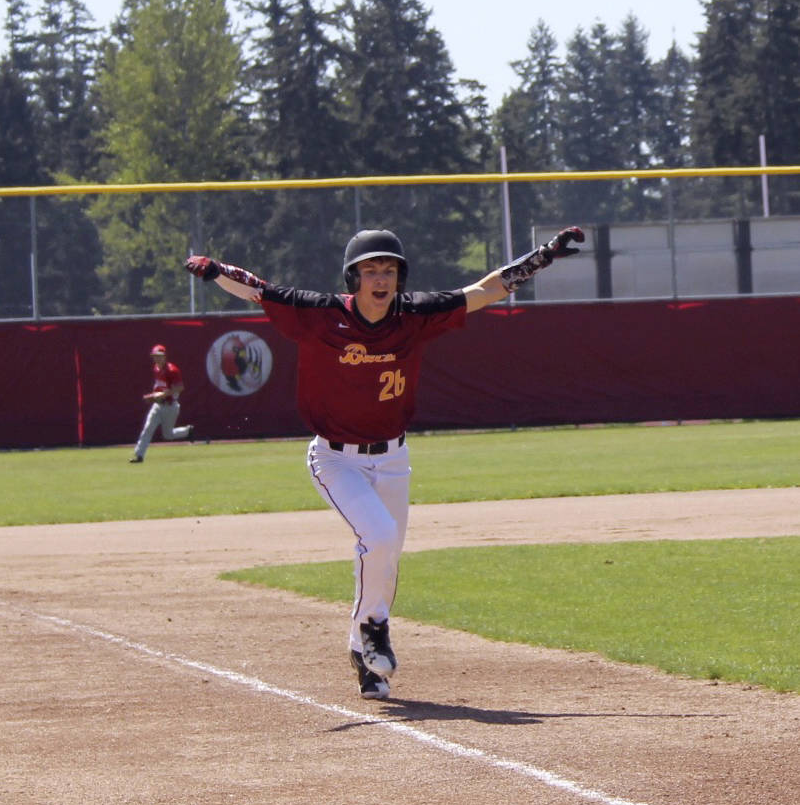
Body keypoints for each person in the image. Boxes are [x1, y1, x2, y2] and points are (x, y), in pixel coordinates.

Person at [184, 226, 583, 698]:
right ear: (353, 278)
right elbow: (259, 290)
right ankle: (374, 628)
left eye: (389, 270)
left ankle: (364, 656)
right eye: (370, 270)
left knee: (386, 557)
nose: (380, 279)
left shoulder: (414, 315)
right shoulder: (321, 314)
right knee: (378, 535)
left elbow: (484, 291)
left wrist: (542, 257)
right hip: (336, 459)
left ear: (400, 277)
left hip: (393, 457)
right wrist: (215, 271)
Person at [130, 343, 194, 463]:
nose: (157, 358)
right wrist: (153, 396)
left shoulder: (172, 370)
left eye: (160, 356)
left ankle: (188, 431)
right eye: (155, 356)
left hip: (170, 406)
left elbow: (180, 387)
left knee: (168, 435)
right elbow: (159, 387)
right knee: (147, 429)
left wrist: (163, 395)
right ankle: (139, 455)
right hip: (158, 405)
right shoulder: (156, 368)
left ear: (165, 356)